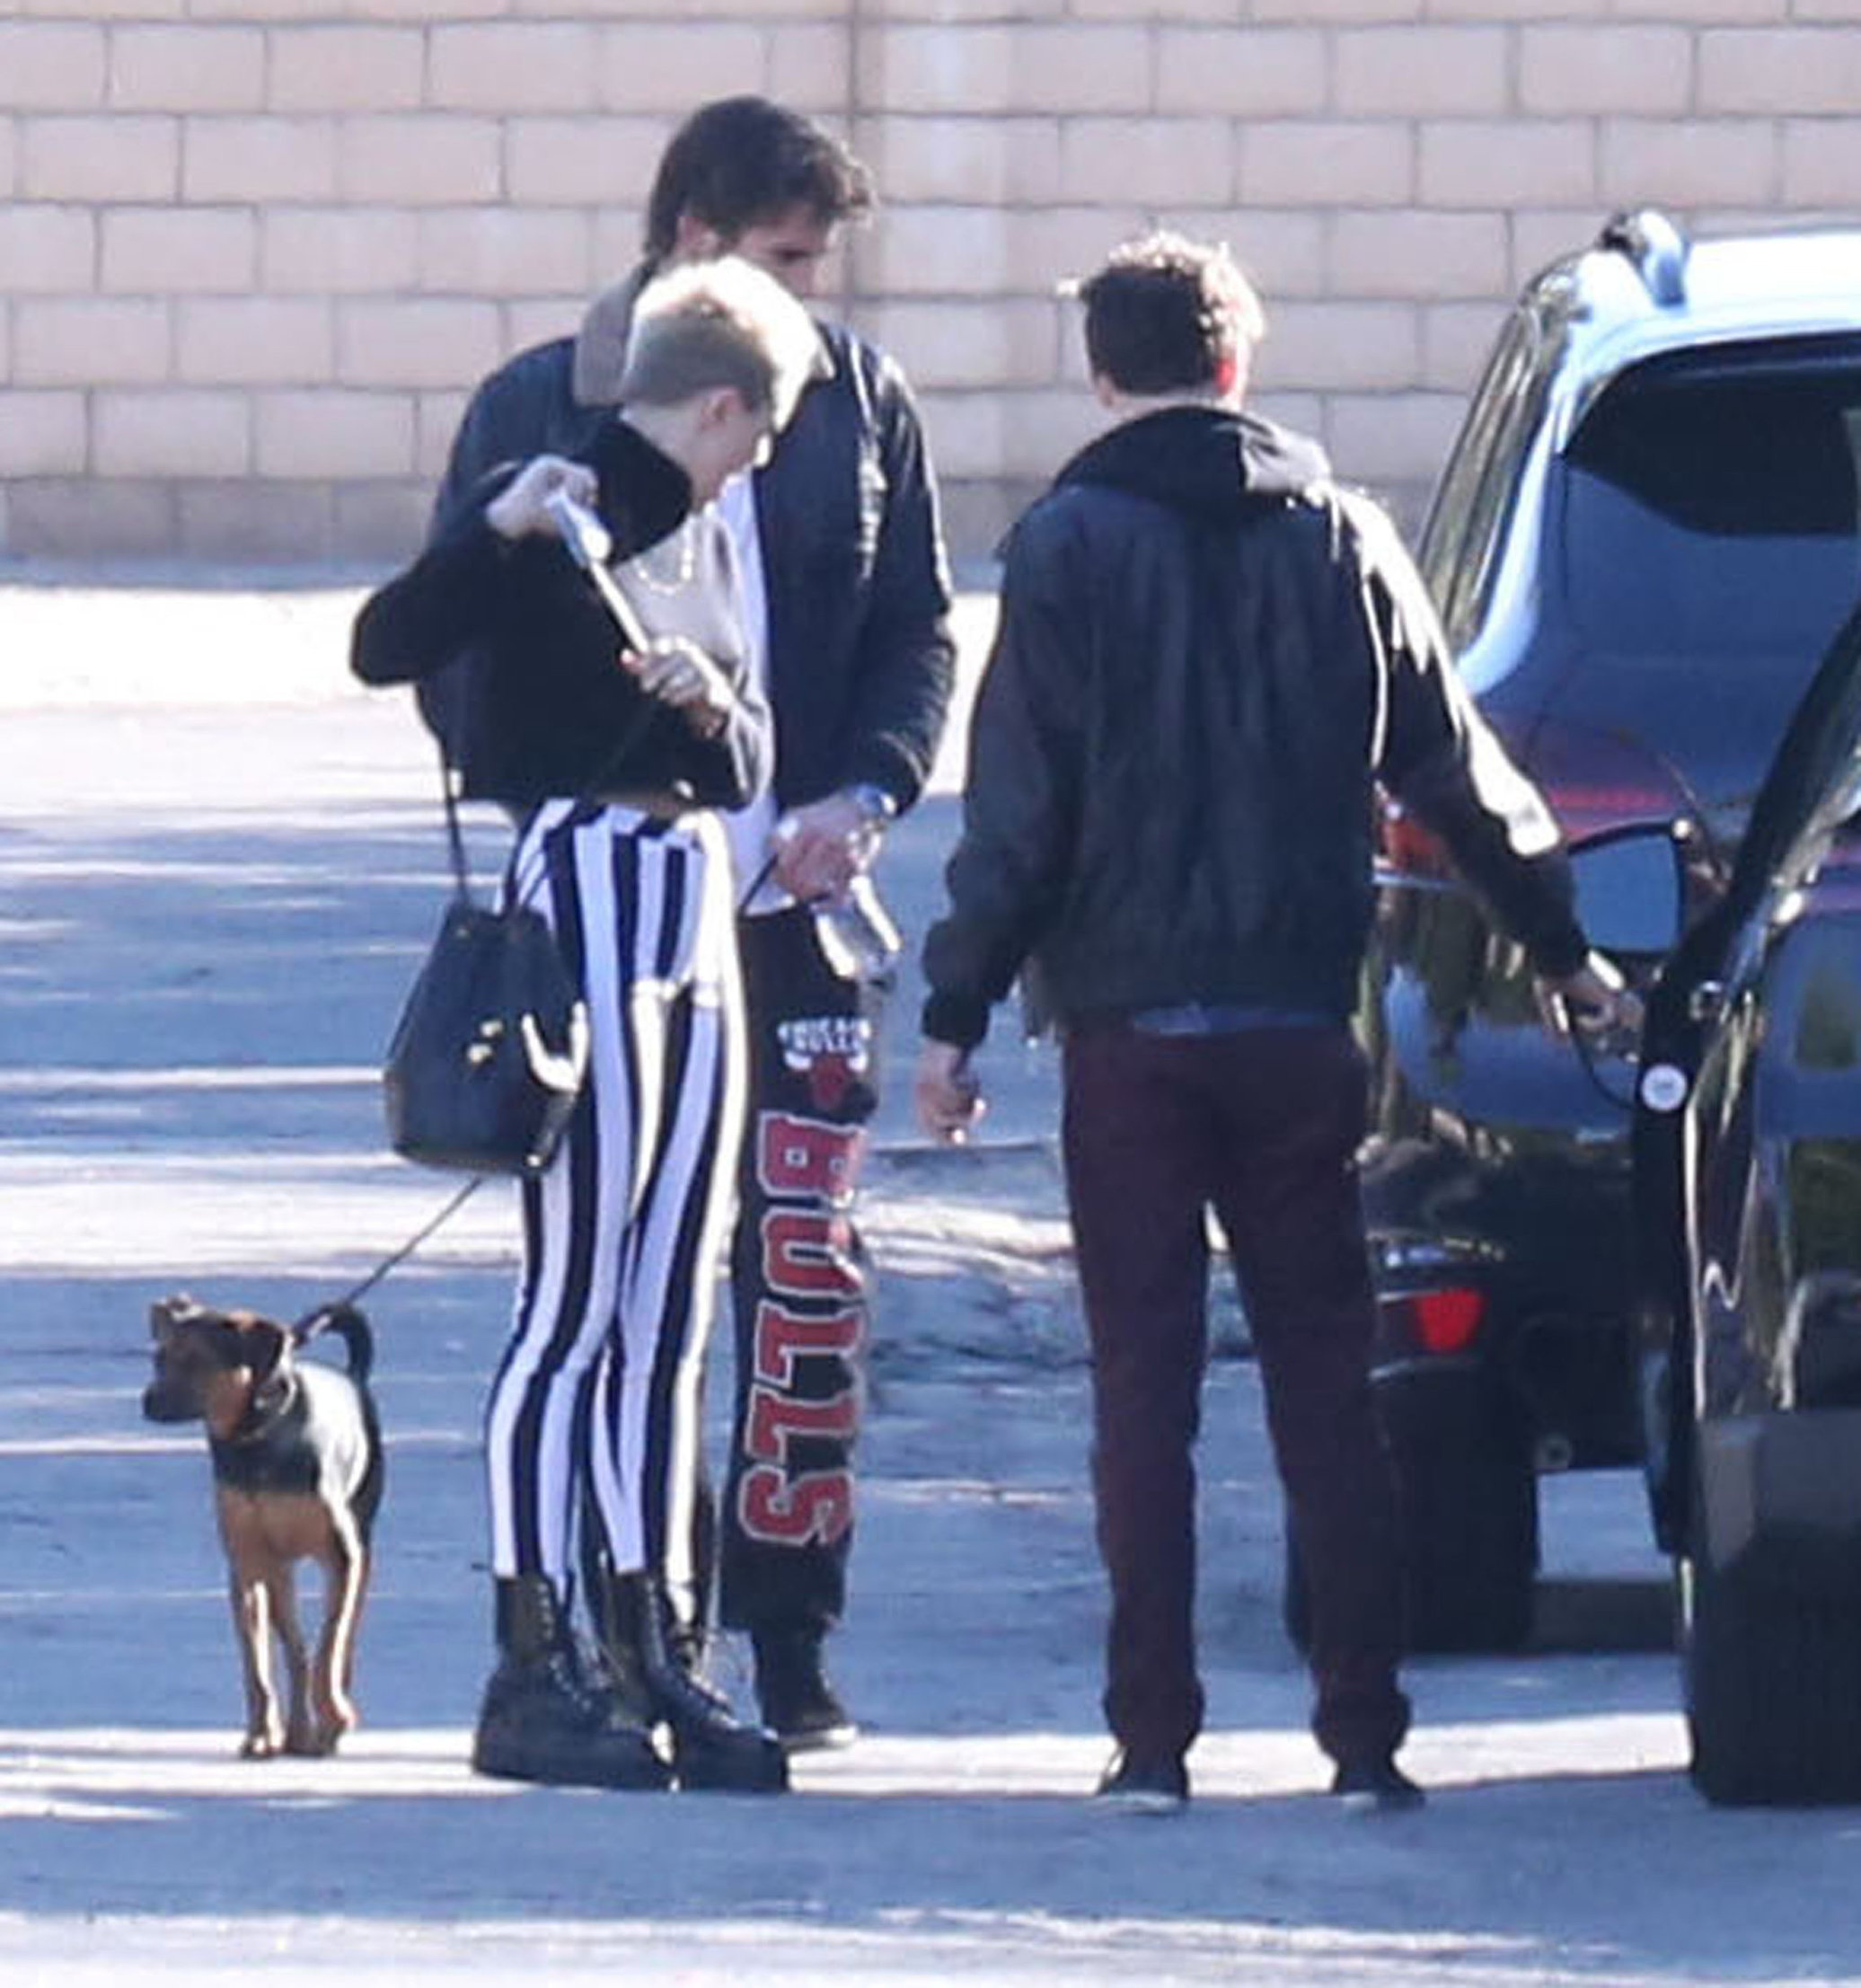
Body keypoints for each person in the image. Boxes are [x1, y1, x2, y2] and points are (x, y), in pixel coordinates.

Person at [913, 233, 1637, 1816]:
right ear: (1237, 361)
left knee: (1142, 1388)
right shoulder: (1341, 534)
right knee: (1327, 1380)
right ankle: (1364, 1732)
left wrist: (955, 1011)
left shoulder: (1065, 547)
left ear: (1101, 373)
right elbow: (1454, 769)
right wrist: (1563, 948)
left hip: (1128, 1032)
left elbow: (1020, 816)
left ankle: (1151, 1738)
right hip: (1300, 1019)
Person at [428, 96, 955, 1750]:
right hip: (605, 907)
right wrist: (597, 761)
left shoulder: (851, 401)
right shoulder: (544, 403)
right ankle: (566, 1638)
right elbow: (447, 659)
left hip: (789, 912)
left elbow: (916, 629)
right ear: (695, 243)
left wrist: (860, 793)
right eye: (786, 260)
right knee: (591, 1286)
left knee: (788, 1277)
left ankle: (761, 1636)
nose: (812, 298)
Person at [351, 255, 820, 1793]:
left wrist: (713, 706)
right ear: (720, 406)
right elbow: (388, 642)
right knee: (575, 1293)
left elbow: (747, 763)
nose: (757, 460)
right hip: (587, 884)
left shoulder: (710, 536)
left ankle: (653, 1635)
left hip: (690, 892)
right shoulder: (562, 505)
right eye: (759, 431)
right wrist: (494, 529)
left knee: (673, 1295)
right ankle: (531, 1649)